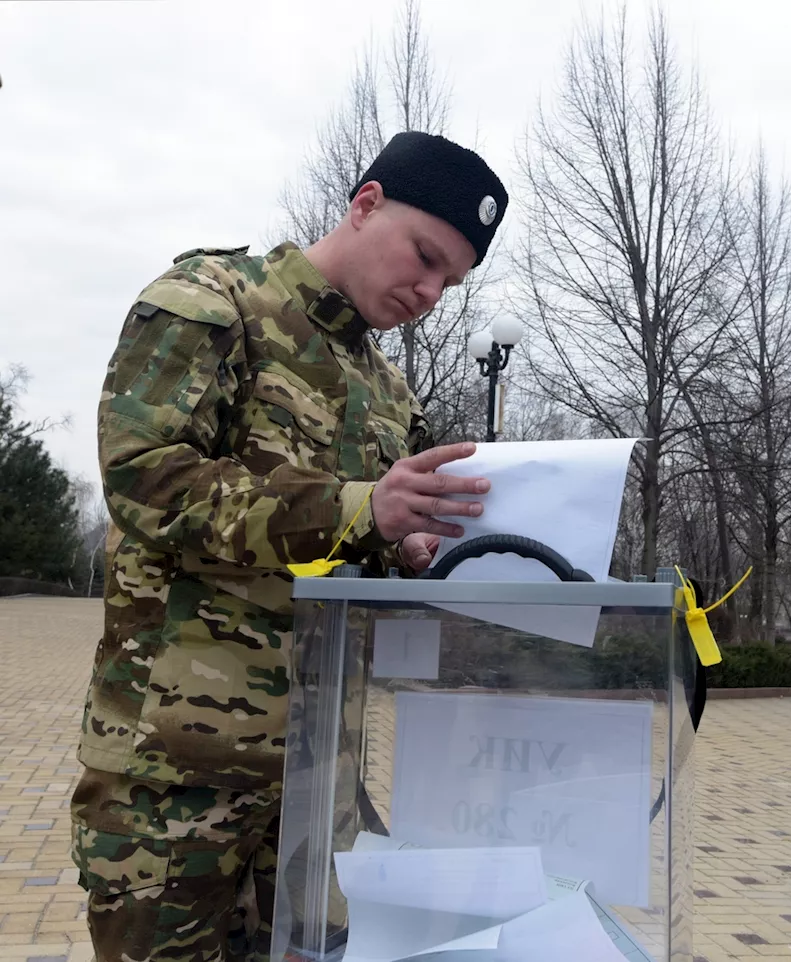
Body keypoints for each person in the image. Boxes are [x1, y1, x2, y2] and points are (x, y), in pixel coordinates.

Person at [70, 131, 508, 962]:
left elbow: (368, 539)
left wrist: (406, 545)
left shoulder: (387, 393)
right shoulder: (212, 301)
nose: (429, 291)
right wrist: (358, 509)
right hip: (176, 782)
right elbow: (146, 481)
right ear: (365, 204)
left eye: (450, 280)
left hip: (315, 789)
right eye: (424, 256)